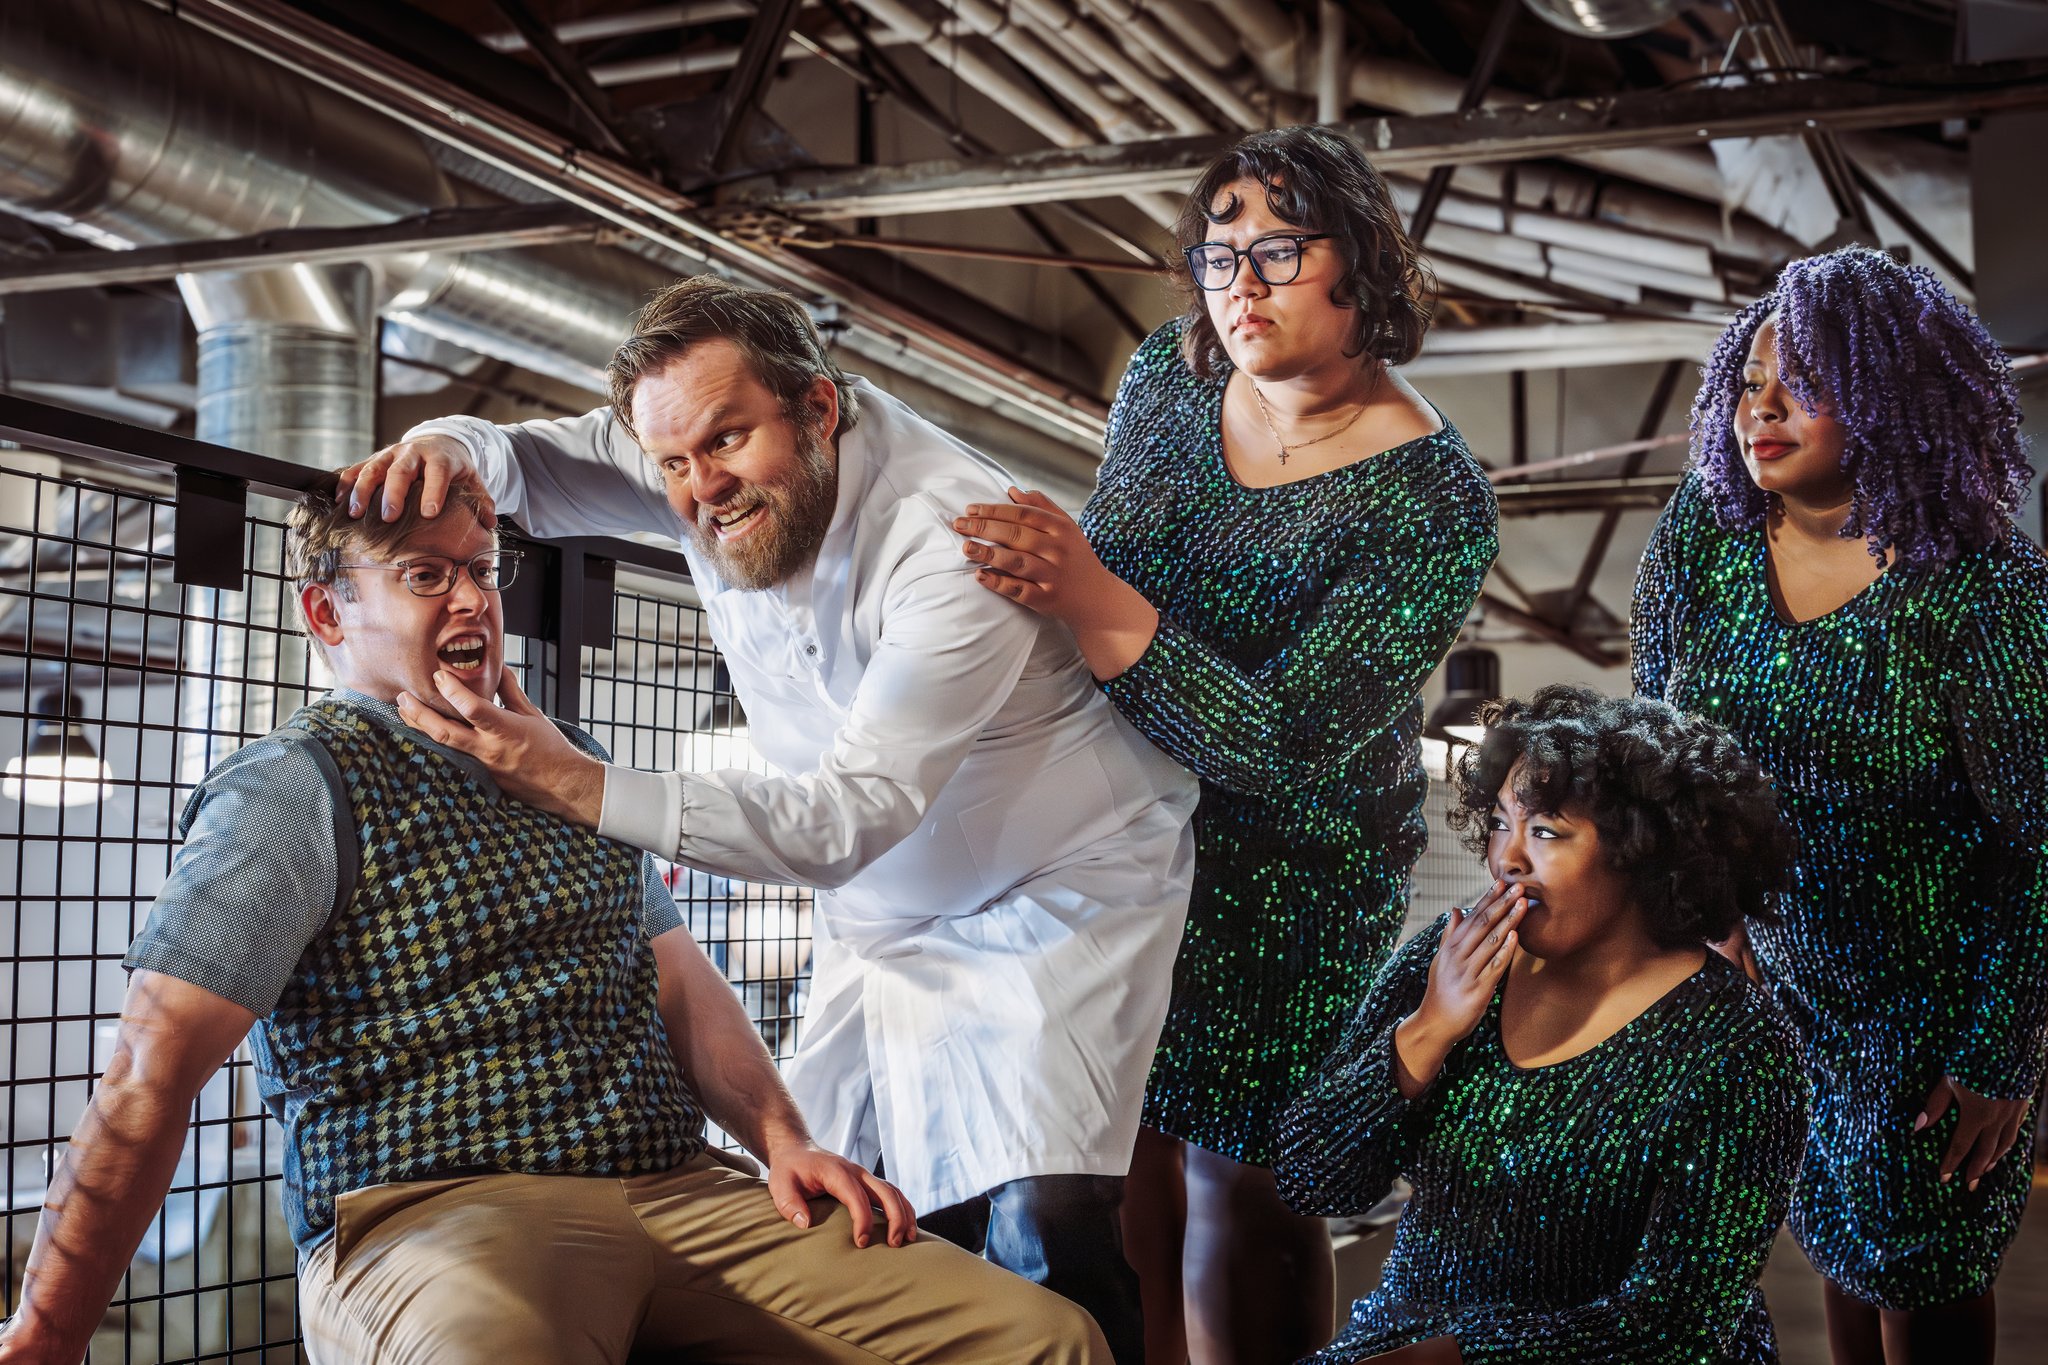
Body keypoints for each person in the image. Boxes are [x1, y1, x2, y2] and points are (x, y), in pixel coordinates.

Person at [0, 478, 1106, 1365]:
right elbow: (148, 1075)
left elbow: (680, 980)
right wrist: (47, 1334)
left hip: (680, 1191)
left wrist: (783, 1140)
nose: (472, 600)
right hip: (440, 1215)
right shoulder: (292, 788)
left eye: (479, 571)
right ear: (328, 612)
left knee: (1039, 1338)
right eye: (425, 575)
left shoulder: (567, 765)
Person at [336, 276, 1199, 1363]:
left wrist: (576, 783)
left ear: (819, 410)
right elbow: (514, 466)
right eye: (670, 464)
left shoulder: (950, 540)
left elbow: (847, 817)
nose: (698, 489)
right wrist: (439, 440)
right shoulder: (684, 447)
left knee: (1046, 1221)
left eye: (726, 444)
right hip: (876, 918)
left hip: (1045, 893)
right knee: (852, 1216)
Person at [947, 125, 1497, 1362]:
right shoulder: (1169, 375)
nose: (1237, 284)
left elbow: (1294, 738)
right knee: (1107, 1142)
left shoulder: (1431, 498)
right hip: (1114, 809)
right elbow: (1113, 550)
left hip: (1292, 870)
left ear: (1361, 263)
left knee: (1247, 1177)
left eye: (1278, 251)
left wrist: (1088, 598)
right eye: (1215, 251)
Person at [1631, 246, 2048, 1364]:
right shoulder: (1697, 547)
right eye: (1746, 386)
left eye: (1801, 385)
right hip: (1774, 984)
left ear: (1887, 397)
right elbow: (1658, 758)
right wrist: (1704, 927)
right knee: (1832, 1255)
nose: (1756, 412)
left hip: (1931, 1005)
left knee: (1919, 1271)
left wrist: (1999, 1057)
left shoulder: (1981, 591)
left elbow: (2037, 846)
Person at [1273, 685, 1809, 1364]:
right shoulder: (1449, 958)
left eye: (1546, 830)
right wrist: (1428, 1030)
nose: (1508, 860)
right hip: (1401, 1341)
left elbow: (1674, 1326)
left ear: (1641, 848)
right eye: (1500, 822)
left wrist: (1451, 1358)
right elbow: (1311, 1179)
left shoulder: (1742, 1044)